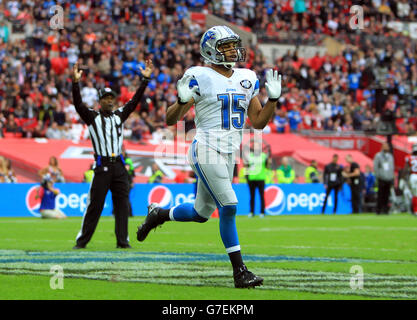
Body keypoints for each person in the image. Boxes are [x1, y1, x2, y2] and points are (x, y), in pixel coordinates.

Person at [136, 26, 282, 288]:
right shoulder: (198, 75)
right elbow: (171, 119)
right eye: (226, 46)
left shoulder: (247, 77)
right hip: (205, 148)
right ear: (211, 50)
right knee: (229, 206)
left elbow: (258, 122)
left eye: (232, 45)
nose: (233, 50)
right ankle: (240, 272)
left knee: (201, 212)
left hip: (228, 153)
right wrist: (181, 102)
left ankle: (158, 215)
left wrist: (272, 99)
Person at [71, 59, 153, 249]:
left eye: (112, 98)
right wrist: (75, 83)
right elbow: (78, 104)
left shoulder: (119, 115)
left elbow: (134, 102)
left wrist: (145, 81)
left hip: (119, 166)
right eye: (106, 98)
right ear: (100, 101)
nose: (110, 101)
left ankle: (122, 242)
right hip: (102, 166)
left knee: (122, 205)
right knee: (95, 206)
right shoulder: (92, 117)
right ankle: (81, 242)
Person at [246, 147, 268, 218]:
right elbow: (247, 167)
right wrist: (247, 178)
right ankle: (251, 212)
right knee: (252, 196)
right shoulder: (250, 156)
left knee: (261, 196)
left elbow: (267, 165)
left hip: (261, 178)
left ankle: (262, 212)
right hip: (252, 179)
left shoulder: (263, 156)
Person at [373, 143, 395, 214]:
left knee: (387, 195)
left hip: (389, 178)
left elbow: (392, 167)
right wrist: (378, 176)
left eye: (387, 146)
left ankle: (385, 210)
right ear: (382, 147)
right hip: (381, 178)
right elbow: (376, 167)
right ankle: (378, 210)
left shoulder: (390, 156)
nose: (387, 147)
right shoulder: (378, 156)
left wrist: (392, 177)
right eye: (385, 146)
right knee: (380, 195)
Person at [403, 143, 417, 215]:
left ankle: (415, 210)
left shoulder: (409, 157)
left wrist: (402, 178)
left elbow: (405, 169)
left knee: (414, 194)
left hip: (413, 176)